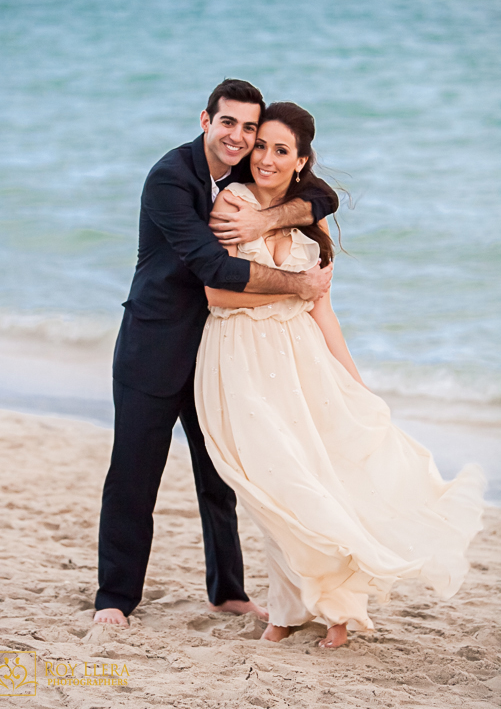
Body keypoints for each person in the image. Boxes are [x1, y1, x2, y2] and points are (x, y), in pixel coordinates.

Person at [195, 101, 485, 648]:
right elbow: (214, 292)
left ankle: (337, 613)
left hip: (303, 361)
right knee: (276, 490)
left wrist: (353, 381)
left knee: (322, 482)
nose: (266, 158)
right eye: (261, 146)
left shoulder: (310, 215)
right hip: (239, 358)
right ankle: (285, 609)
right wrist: (292, 287)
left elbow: (323, 310)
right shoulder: (232, 203)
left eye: (282, 150)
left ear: (302, 160)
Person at [94, 80, 339, 625]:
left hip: (217, 352)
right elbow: (215, 269)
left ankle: (226, 590)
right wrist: (298, 285)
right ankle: (114, 598)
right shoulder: (169, 178)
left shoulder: (240, 176)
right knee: (134, 475)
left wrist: (265, 219)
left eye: (249, 129)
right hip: (153, 347)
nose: (239, 137)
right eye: (228, 123)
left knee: (220, 476)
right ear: (206, 119)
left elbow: (323, 196)